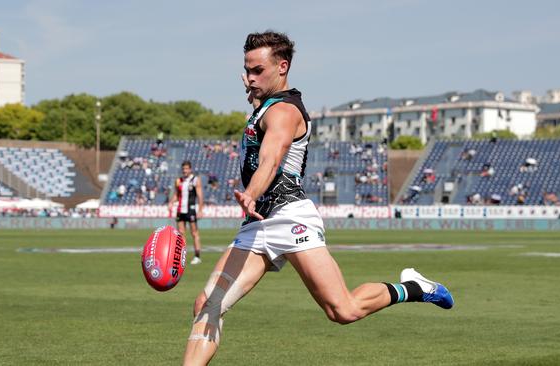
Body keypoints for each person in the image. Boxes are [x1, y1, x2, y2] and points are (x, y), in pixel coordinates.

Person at [182, 31, 454, 365]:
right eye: (246, 70)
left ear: (282, 67)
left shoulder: (284, 111)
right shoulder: (265, 105)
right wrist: (254, 96)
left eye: (257, 70)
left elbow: (271, 158)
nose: (250, 77)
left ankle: (414, 288)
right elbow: (260, 122)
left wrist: (251, 193)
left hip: (290, 218)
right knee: (208, 305)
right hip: (257, 223)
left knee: (343, 310)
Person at [169, 161, 204, 265]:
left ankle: (197, 256)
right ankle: (181, 256)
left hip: (191, 209)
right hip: (180, 210)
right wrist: (171, 202)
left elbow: (200, 195)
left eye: (187, 169)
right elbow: (176, 194)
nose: (185, 171)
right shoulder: (178, 180)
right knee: (180, 233)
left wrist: (201, 209)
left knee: (194, 233)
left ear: (190, 169)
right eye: (183, 169)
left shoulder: (195, 180)